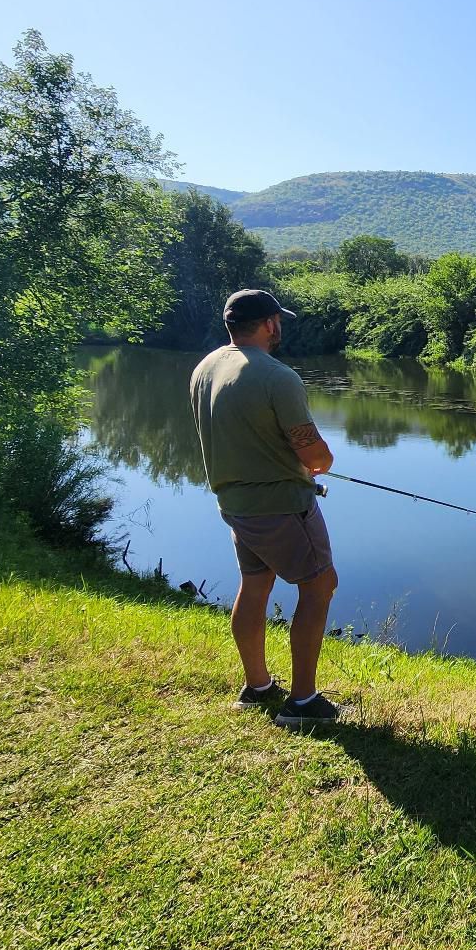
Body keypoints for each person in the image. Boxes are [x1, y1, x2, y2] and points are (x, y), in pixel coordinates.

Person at [188, 288, 342, 727]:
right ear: (270, 323)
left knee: (255, 584)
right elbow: (316, 457)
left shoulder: (206, 368)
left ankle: (257, 688)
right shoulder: (277, 377)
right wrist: (322, 462)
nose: (280, 329)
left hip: (234, 504)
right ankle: (302, 703)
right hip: (282, 507)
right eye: (279, 322)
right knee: (319, 586)